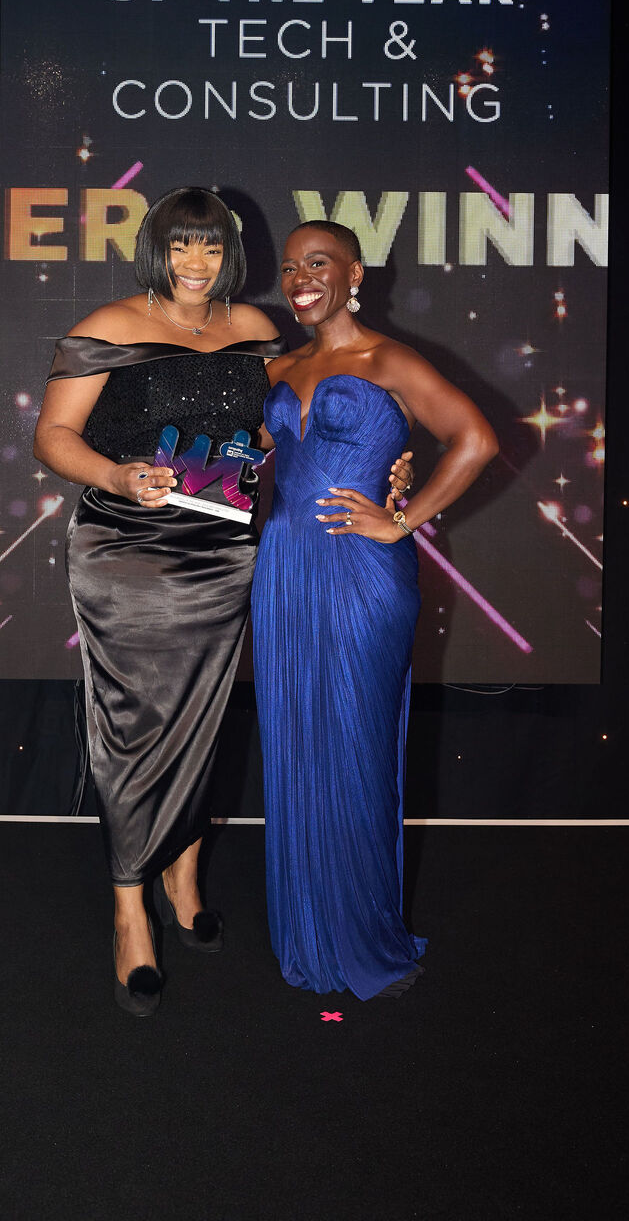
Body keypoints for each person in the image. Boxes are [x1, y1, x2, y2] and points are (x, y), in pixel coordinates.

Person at [33, 187, 285, 1015]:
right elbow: (53, 436)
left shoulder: (254, 328)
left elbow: (277, 426)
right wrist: (115, 474)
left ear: (230, 254)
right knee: (135, 728)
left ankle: (184, 879)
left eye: (209, 247)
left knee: (201, 721)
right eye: (180, 245)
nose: (195, 262)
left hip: (223, 553)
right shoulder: (110, 325)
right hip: (126, 550)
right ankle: (128, 909)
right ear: (156, 251)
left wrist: (275, 445)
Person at [251, 221, 499, 1000]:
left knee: (356, 746)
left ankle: (366, 939)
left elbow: (475, 439)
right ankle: (311, 933)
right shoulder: (279, 367)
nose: (301, 278)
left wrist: (403, 517)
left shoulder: (389, 361)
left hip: (363, 571)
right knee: (295, 742)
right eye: (290, 267)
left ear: (354, 274)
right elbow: (249, 457)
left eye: (318, 263)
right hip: (284, 571)